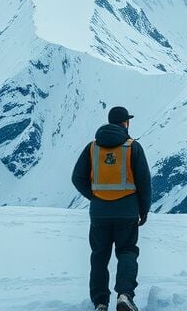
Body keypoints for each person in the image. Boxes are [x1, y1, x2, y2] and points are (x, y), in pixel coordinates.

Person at [71, 106, 152, 311]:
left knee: (99, 256)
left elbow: (77, 178)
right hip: (127, 211)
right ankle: (124, 295)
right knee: (127, 251)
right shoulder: (132, 148)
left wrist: (94, 197)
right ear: (125, 123)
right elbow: (144, 183)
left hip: (99, 213)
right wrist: (144, 210)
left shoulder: (92, 148)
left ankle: (100, 302)